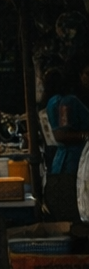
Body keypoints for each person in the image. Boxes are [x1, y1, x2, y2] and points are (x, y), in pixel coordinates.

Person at [43, 66, 89, 220]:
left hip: (67, 164)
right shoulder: (67, 102)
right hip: (72, 165)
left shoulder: (62, 101)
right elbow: (61, 134)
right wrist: (85, 135)